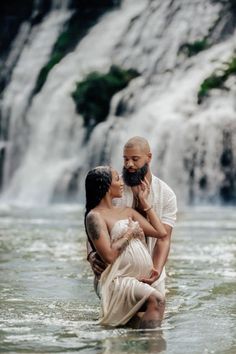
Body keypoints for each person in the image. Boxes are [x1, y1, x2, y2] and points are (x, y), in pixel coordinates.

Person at [87, 136, 177, 300]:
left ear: (149, 158)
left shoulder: (167, 194)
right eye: (125, 159)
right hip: (115, 274)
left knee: (154, 319)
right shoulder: (115, 188)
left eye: (135, 159)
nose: (129, 164)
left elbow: (164, 239)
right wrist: (91, 255)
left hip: (152, 275)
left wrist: (155, 272)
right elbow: (95, 222)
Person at [85, 165, 168, 328]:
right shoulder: (94, 216)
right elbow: (108, 256)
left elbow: (161, 232)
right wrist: (129, 234)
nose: (122, 182)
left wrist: (145, 203)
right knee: (157, 300)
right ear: (106, 186)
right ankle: (153, 349)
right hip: (116, 280)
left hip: (137, 280)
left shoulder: (127, 211)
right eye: (117, 179)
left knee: (135, 325)